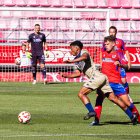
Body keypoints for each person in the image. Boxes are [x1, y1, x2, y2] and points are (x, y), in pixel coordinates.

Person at [60, 40, 137, 125]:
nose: (70, 51)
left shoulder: (84, 52)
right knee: (114, 99)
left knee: (81, 94)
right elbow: (78, 73)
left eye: (71, 49)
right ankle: (132, 116)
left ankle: (91, 111)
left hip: (97, 77)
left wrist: (71, 61)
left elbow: (85, 57)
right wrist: (66, 75)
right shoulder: (77, 60)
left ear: (77, 48)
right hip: (102, 78)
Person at [92, 36, 139, 125]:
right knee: (99, 99)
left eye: (108, 44)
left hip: (116, 82)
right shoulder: (104, 53)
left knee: (127, 102)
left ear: (113, 44)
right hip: (104, 83)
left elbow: (126, 66)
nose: (106, 46)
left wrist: (120, 64)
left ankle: (137, 118)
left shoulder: (118, 54)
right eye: (105, 44)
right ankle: (96, 121)